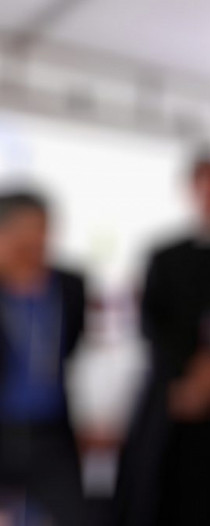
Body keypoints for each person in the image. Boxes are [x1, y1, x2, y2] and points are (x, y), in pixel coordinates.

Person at [113, 153, 210, 526]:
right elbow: (151, 322)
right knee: (156, 487)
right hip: (171, 391)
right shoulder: (164, 255)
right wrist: (187, 377)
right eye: (203, 187)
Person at [0, 190, 90, 525]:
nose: (39, 240)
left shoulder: (70, 285)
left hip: (51, 432)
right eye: (28, 230)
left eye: (44, 229)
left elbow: (73, 346)